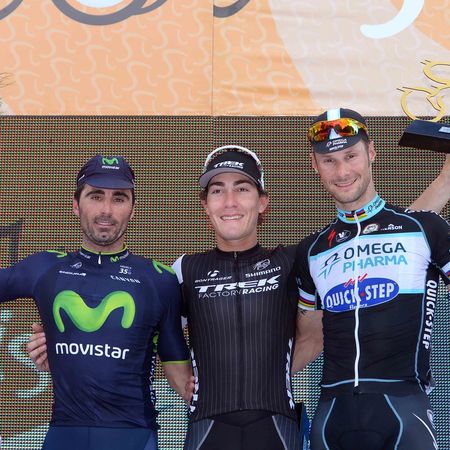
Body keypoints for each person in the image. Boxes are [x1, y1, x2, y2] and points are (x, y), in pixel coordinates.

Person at [28, 145, 450, 450]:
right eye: (217, 190)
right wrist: (62, 340)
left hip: (278, 429)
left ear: (262, 202)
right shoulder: (182, 271)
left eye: (243, 189)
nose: (230, 201)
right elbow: (132, 328)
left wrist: (445, 182)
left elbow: (382, 235)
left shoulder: (294, 259)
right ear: (204, 205)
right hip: (206, 429)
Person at [0, 154, 192, 450]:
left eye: (119, 198)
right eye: (96, 196)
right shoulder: (46, 268)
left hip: (133, 436)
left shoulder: (159, 280)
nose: (106, 210)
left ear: (133, 209)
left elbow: (182, 377)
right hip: (64, 434)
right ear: (76, 205)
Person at [295, 108, 450, 450]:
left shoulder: (424, 228)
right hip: (331, 417)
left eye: (351, 156)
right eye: (329, 161)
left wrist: (446, 181)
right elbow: (308, 339)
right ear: (314, 165)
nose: (342, 171)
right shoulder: (312, 251)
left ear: (372, 152)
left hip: (404, 411)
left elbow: (399, 225)